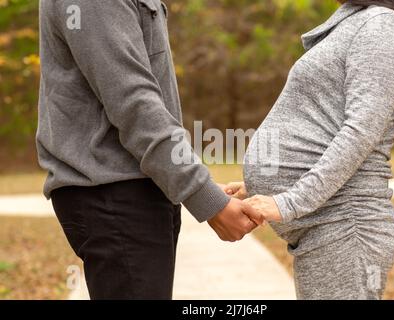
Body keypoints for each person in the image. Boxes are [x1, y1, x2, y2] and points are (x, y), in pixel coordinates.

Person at [36, 0, 263, 300]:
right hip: (114, 194)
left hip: (136, 187)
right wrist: (205, 197)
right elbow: (134, 105)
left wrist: (184, 180)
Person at [225, 0, 394, 299]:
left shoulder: (381, 25)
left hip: (346, 226)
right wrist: (261, 184)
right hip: (327, 228)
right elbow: (325, 121)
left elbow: (361, 132)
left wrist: (289, 201)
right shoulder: (357, 22)